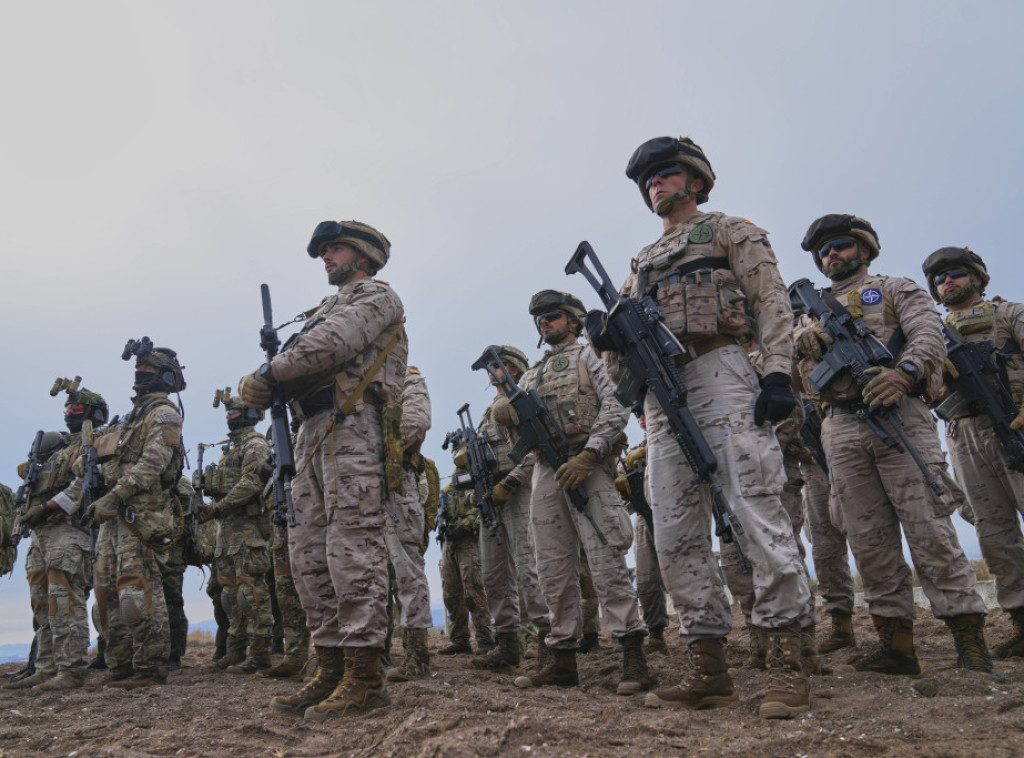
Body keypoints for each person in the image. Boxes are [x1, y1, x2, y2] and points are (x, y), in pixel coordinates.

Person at [612, 136, 812, 718]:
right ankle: (708, 666)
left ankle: (786, 659)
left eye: (666, 173)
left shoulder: (731, 231)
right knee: (673, 529)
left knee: (754, 507)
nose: (656, 183)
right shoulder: (640, 263)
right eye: (648, 179)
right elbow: (620, 344)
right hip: (660, 396)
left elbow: (771, 301)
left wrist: (777, 371)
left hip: (721, 368)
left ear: (695, 181)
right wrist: (611, 344)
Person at [795, 215, 990, 675]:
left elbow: (929, 335)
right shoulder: (805, 314)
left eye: (840, 245)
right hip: (838, 425)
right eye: (824, 251)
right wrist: (800, 342)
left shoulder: (895, 288)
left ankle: (969, 640)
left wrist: (903, 373)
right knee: (867, 538)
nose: (831, 254)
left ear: (864, 250)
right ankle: (896, 645)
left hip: (900, 412)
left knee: (929, 528)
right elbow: (792, 379)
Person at [239, 219, 406, 721]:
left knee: (352, 550)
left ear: (363, 255)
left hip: (353, 426)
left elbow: (335, 342)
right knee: (309, 555)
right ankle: (331, 668)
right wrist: (271, 384)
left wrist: (269, 372)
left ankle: (365, 677)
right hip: (312, 432)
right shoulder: (323, 309)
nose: (326, 258)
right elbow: (306, 358)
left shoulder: (377, 296)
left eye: (334, 249)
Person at [492, 290, 650, 696]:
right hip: (547, 471)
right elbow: (518, 431)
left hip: (586, 466)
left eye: (553, 315)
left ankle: (632, 652)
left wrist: (591, 453)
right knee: (551, 566)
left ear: (574, 321)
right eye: (540, 318)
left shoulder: (589, 358)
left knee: (605, 559)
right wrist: (506, 412)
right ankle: (562, 658)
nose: (545, 322)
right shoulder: (531, 374)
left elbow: (617, 406)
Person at [922, 246, 1024, 659]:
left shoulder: (1009, 314)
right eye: (940, 279)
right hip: (965, 435)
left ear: (977, 278)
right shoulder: (932, 333)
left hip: (1015, 424)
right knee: (994, 532)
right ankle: (1022, 620)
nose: (948, 282)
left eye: (956, 274)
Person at [88, 341, 187, 689]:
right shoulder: (130, 418)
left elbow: (153, 463)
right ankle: (120, 665)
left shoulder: (164, 414)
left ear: (164, 376)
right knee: (106, 594)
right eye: (138, 369)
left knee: (137, 591)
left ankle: (149, 667)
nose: (140, 374)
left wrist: (116, 495)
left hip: (141, 514)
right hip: (113, 516)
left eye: (147, 369)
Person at [4, 386, 108, 692]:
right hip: (42, 536)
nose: (69, 414)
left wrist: (47, 507)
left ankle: (71, 668)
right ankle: (46, 666)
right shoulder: (58, 448)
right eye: (67, 409)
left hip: (68, 532)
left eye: (76, 409)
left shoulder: (95, 444)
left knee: (65, 603)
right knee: (42, 604)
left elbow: (82, 486)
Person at [467, 345, 549, 675]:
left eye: (496, 367)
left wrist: (512, 481)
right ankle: (508, 645)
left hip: (518, 492)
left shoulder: (522, 401)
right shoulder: (489, 411)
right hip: (491, 497)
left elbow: (534, 447)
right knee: (494, 575)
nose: (491, 373)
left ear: (512, 369)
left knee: (530, 569)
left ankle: (547, 642)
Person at [197, 389, 274, 674]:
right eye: (228, 413)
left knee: (250, 592)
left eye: (235, 412)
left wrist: (218, 507)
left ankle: (260, 654)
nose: (230, 417)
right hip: (226, 530)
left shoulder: (255, 445)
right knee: (229, 594)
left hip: (247, 529)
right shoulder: (230, 449)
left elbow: (251, 483)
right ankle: (235, 650)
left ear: (250, 414)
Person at [383, 367, 435, 682]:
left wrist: (368, 453)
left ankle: (417, 656)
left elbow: (416, 423)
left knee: (406, 570)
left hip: (396, 482)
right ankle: (373, 652)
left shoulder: (407, 378)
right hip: (359, 485)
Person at [437, 464, 495, 656]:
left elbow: (484, 511)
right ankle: (460, 640)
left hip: (469, 542)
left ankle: (485, 640)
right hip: (449, 544)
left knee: (473, 591)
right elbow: (441, 513)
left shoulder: (478, 482)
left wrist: (467, 525)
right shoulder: (448, 489)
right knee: (451, 594)